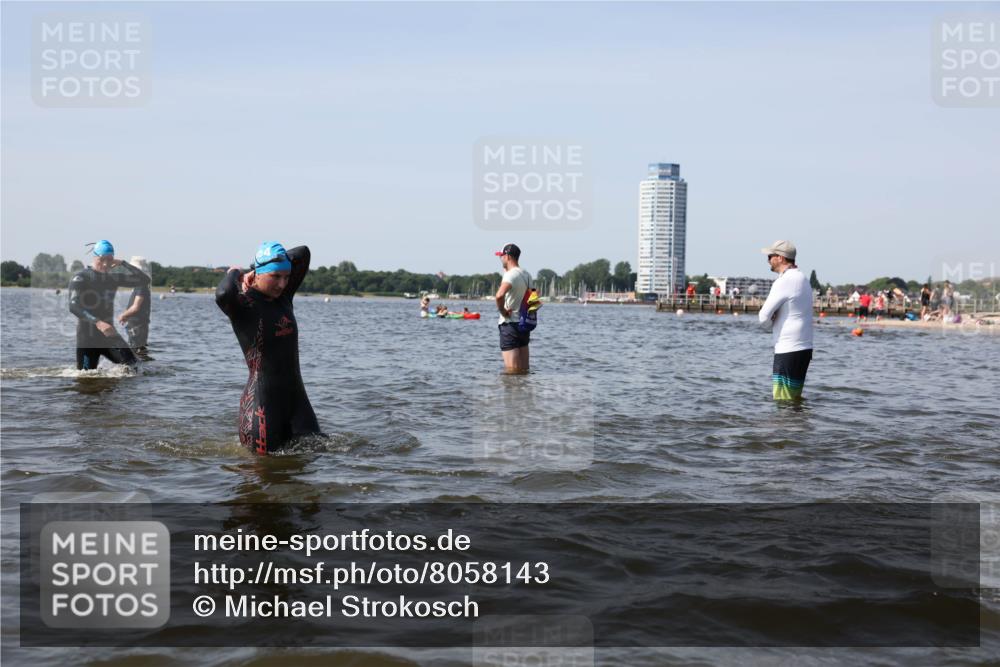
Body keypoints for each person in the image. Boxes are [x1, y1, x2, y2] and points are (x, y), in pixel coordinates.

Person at [215, 242, 320, 455]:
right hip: (262, 408)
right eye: (275, 277)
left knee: (317, 458)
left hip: (297, 403)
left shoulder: (284, 298)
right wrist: (237, 272)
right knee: (261, 475)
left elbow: (303, 253)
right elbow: (223, 293)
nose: (282, 284)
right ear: (259, 275)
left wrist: (261, 268)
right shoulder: (243, 305)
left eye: (286, 277)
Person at [68, 240, 150, 370]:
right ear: (95, 257)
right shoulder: (81, 277)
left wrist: (123, 263)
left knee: (134, 367)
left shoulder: (113, 278)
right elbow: (73, 305)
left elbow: (145, 280)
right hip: (87, 340)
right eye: (102, 259)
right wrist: (98, 323)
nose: (106, 264)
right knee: (86, 380)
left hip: (110, 336)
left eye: (110, 259)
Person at [758, 240, 814, 401]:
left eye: (770, 256)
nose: (768, 259)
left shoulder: (784, 281)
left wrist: (771, 324)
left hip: (787, 349)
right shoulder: (802, 278)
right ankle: (798, 426)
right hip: (804, 348)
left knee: (782, 401)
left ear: (781, 258)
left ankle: (786, 427)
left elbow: (763, 317)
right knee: (794, 399)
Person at [494, 243, 532, 373]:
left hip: (509, 325)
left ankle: (512, 394)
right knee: (524, 370)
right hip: (523, 325)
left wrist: (503, 312)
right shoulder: (527, 275)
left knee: (512, 373)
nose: (500, 259)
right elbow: (533, 299)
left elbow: (499, 295)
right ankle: (524, 393)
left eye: (501, 256)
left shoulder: (510, 276)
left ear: (508, 256)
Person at [118, 256, 152, 358]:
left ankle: (134, 371)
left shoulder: (141, 285)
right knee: (139, 353)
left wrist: (123, 315)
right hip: (137, 326)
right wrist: (127, 317)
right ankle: (144, 371)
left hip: (137, 327)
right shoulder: (140, 284)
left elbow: (136, 307)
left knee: (135, 353)